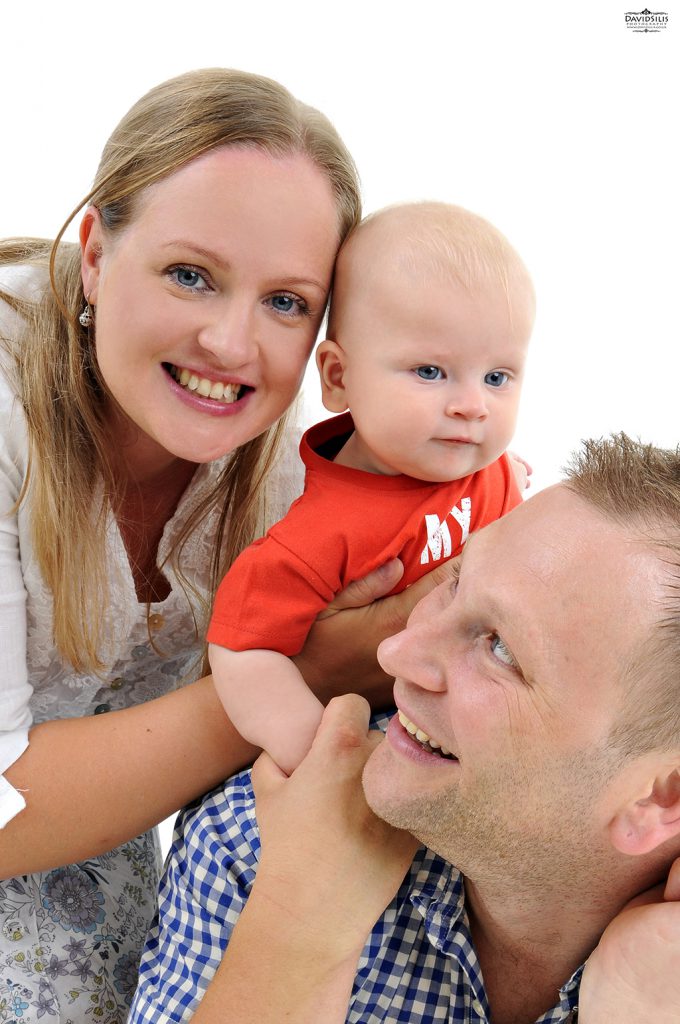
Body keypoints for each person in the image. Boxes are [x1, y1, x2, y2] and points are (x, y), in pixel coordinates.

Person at [0, 67, 431, 1024]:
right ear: (98, 253)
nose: (232, 344)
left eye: (286, 302)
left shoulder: (295, 474)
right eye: (190, 274)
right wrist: (296, 675)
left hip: (105, 922)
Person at [131, 433, 680, 1024]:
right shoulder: (263, 841)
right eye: (454, 581)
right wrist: (295, 929)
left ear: (659, 798)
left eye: (499, 649)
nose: (395, 652)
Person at [208, 202, 535, 773]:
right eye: (430, 372)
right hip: (377, 730)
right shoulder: (320, 533)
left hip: (480, 720)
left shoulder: (492, 472)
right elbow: (240, 647)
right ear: (339, 378)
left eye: (497, 377)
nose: (472, 406)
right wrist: (326, 760)